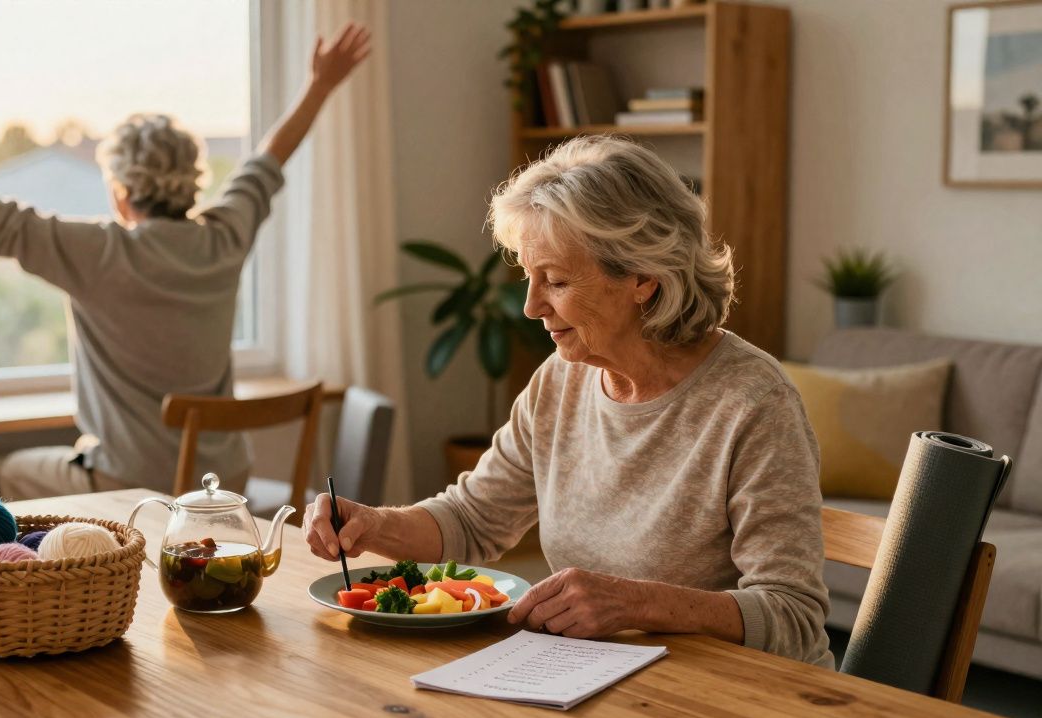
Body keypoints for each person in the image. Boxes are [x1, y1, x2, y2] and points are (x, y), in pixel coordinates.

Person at [302, 136, 832, 666]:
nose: (532, 305)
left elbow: (792, 615)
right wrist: (373, 525)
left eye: (555, 280)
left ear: (643, 277)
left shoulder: (753, 402)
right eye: (528, 277)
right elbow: (471, 520)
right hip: (602, 678)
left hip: (738, 697)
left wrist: (638, 603)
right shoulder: (561, 380)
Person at [0, 24, 372, 497]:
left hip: (128, 484)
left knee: (10, 473)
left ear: (121, 192)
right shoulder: (226, 236)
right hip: (223, 481)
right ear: (192, 183)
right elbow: (269, 158)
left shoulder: (99, 253)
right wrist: (319, 85)